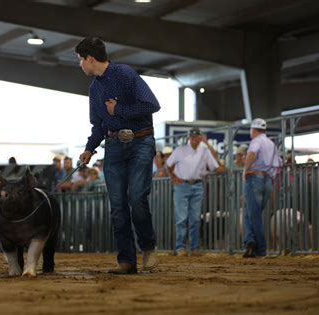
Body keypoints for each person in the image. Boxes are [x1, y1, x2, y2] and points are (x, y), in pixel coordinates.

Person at [75, 37, 160, 274]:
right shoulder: (94, 89)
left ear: (90, 59)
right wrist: (89, 149)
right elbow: (99, 125)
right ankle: (126, 260)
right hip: (113, 145)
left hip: (141, 140)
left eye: (81, 60)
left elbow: (152, 105)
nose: (80, 65)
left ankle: (148, 248)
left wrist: (119, 109)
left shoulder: (126, 74)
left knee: (137, 198)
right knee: (118, 205)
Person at [165, 127, 226, 256]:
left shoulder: (204, 151)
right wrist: (173, 177)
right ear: (189, 137)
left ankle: (194, 248)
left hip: (197, 185)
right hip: (182, 185)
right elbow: (168, 165)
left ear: (200, 138)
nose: (194, 139)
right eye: (192, 137)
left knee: (195, 219)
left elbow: (215, 165)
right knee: (181, 218)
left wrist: (223, 169)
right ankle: (180, 247)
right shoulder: (180, 150)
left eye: (196, 136)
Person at [242, 118, 281, 258]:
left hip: (255, 178)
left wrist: (245, 170)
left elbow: (252, 153)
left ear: (254, 130)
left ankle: (260, 249)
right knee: (250, 214)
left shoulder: (256, 141)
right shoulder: (271, 144)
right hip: (267, 181)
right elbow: (279, 163)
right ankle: (249, 241)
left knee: (254, 215)